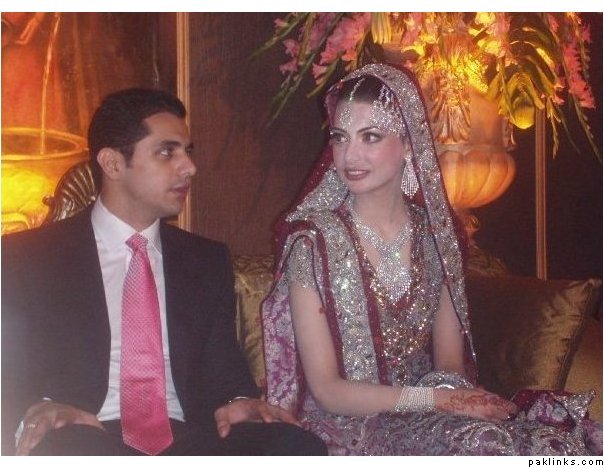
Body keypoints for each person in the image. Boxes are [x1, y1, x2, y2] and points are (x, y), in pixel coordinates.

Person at [261, 63, 601, 455]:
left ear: (409, 143)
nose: (350, 155)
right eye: (340, 137)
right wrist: (438, 402)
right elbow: (327, 390)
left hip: (430, 416)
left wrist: (462, 402)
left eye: (370, 136)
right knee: (484, 446)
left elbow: (450, 364)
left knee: (550, 442)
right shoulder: (312, 244)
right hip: (347, 426)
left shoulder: (437, 236)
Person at [1, 88, 327, 456]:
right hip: (85, 431)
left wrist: (238, 400)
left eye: (188, 151)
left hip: (187, 435)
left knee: (295, 446)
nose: (189, 167)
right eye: (166, 152)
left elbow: (224, 370)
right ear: (112, 164)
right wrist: (38, 406)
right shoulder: (28, 257)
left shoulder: (205, 260)